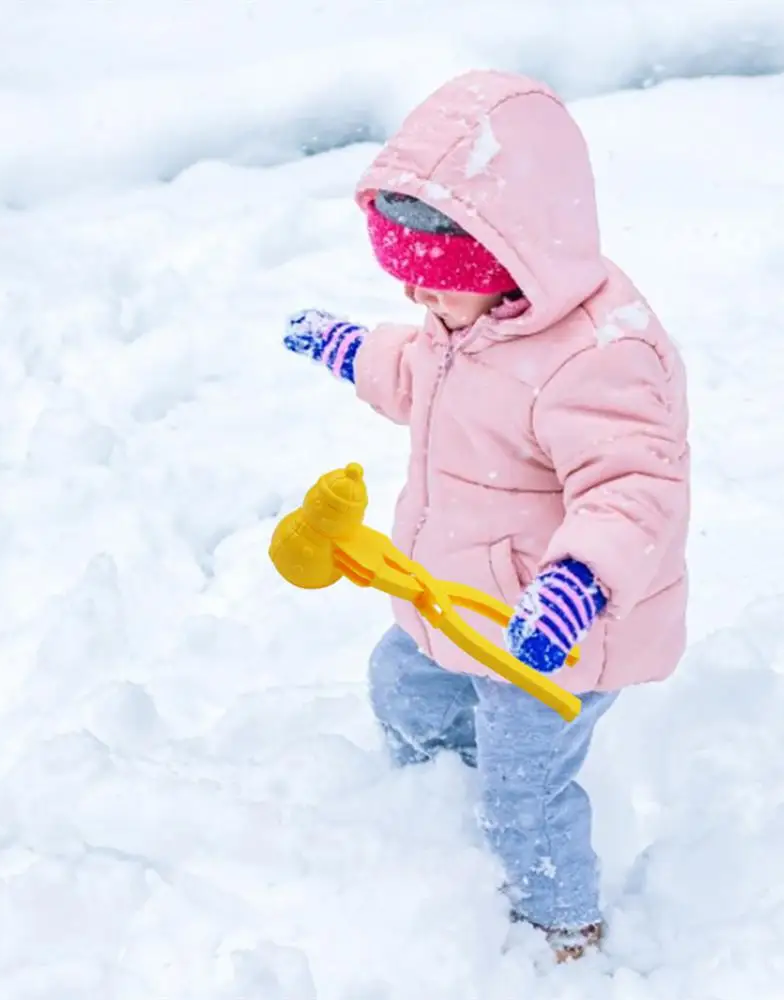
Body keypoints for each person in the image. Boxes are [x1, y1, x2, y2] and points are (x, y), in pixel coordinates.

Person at [281, 68, 690, 962]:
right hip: (455, 599)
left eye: (431, 286)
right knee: (402, 688)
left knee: (524, 793)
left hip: (550, 632)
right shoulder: (469, 322)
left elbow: (634, 487)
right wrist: (352, 352)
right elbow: (421, 377)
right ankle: (435, 818)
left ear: (508, 261)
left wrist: (578, 585)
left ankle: (562, 926)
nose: (415, 302)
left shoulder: (601, 358)